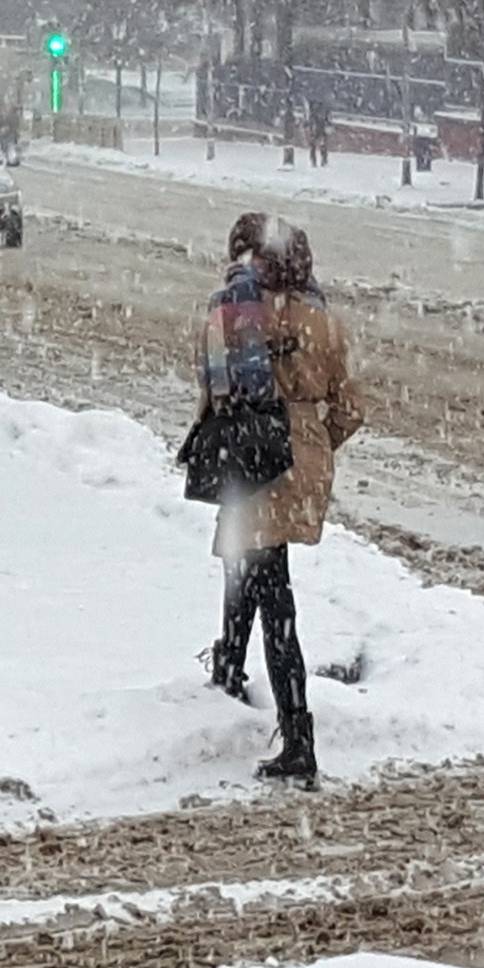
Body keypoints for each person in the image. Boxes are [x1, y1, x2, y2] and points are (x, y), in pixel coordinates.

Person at [198, 217, 363, 787]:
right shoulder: (325, 319)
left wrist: (250, 440)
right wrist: (310, 444)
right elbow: (350, 408)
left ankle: (297, 735)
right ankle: (228, 667)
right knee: (249, 565)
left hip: (251, 455)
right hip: (303, 460)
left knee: (271, 592)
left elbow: (215, 389)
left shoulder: (233, 311)